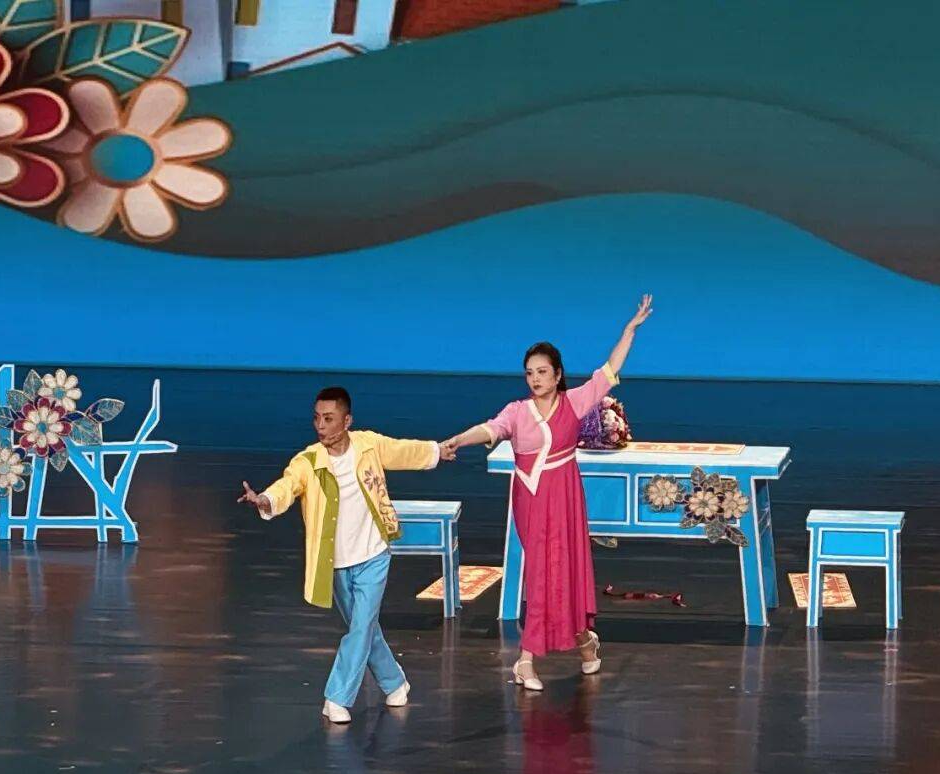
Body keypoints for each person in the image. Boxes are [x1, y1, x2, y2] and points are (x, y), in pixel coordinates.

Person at [441, 295, 653, 690]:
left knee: (567, 571)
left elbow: (609, 370)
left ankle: (585, 644)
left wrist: (630, 330)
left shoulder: (575, 402)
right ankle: (526, 661)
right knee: (541, 574)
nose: (535, 379)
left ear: (557, 375)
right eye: (529, 373)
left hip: (566, 496)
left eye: (542, 372)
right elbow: (490, 429)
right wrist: (458, 440)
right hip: (533, 500)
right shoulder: (516, 412)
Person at [238, 386, 455, 723]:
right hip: (336, 564)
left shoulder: (368, 446)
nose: (320, 426)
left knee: (361, 627)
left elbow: (402, 450)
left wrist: (436, 451)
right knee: (363, 628)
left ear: (347, 420)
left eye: (328, 419)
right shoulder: (309, 462)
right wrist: (265, 499)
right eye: (316, 418)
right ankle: (395, 682)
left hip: (374, 555)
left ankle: (337, 698)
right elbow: (287, 486)